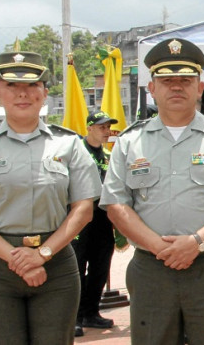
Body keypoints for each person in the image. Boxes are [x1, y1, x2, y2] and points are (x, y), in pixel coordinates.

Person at [100, 38, 204, 344]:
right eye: (167, 81)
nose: (176, 87)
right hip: (151, 269)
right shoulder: (130, 141)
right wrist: (159, 247)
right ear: (152, 88)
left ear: (200, 87)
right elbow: (116, 205)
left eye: (186, 80)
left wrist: (196, 242)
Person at [0, 51, 101, 344]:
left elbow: (83, 209)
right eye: (11, 85)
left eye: (32, 85)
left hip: (56, 264)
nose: (22, 93)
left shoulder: (69, 144)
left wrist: (42, 254)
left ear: (45, 93)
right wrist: (17, 259)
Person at [72, 110, 119, 337]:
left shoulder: (109, 156)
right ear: (89, 127)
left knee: (100, 267)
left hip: (103, 219)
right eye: (102, 127)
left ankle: (92, 312)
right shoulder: (76, 153)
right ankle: (75, 317)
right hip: (80, 219)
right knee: (77, 268)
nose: (106, 131)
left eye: (108, 127)